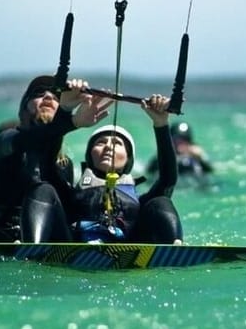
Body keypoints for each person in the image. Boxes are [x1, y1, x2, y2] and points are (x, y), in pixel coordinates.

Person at [0, 75, 111, 243]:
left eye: (57, 96)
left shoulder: (64, 165)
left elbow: (68, 213)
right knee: (43, 190)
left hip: (48, 244)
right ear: (24, 109)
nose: (49, 97)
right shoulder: (7, 142)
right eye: (39, 93)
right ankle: (31, 253)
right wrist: (68, 116)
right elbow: (35, 140)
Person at [55, 94, 183, 244]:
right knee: (44, 190)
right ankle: (33, 244)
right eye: (101, 142)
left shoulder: (141, 203)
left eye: (117, 143)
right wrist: (65, 112)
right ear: (90, 154)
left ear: (128, 159)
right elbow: (46, 158)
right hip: (73, 247)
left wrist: (161, 123)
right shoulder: (69, 195)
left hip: (133, 250)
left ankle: (175, 249)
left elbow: (168, 180)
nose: (108, 146)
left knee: (161, 202)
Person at [147, 120, 214, 182]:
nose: (180, 145)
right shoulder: (162, 158)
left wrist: (200, 158)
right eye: (176, 140)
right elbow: (149, 171)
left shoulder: (196, 159)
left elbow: (210, 171)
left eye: (184, 140)